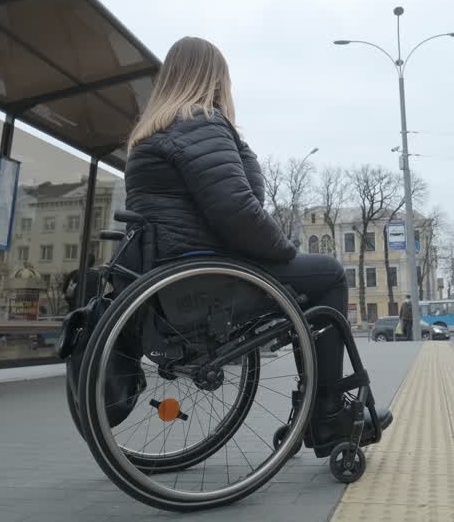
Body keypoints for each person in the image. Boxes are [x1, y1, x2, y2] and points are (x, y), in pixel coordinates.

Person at [123, 36, 393, 447]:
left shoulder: (150, 134)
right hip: (208, 280)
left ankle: (317, 408)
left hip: (177, 278)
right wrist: (284, 252)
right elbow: (237, 211)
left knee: (307, 287)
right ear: (215, 79)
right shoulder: (199, 122)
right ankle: (326, 414)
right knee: (328, 275)